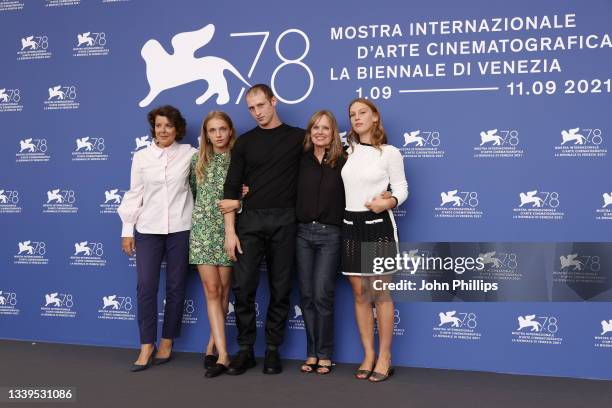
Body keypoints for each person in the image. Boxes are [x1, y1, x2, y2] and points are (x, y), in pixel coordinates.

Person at [220, 84, 303, 375]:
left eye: (261, 106)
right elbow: (230, 192)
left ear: (273, 101)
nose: (257, 113)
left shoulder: (298, 137)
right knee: (243, 289)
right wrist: (230, 232)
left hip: (285, 220)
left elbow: (327, 159)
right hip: (250, 221)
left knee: (281, 289)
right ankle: (245, 350)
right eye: (251, 108)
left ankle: (272, 350)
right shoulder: (244, 143)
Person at [118, 105, 197, 372]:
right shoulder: (141, 158)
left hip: (180, 228)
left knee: (176, 287)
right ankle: (146, 345)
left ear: (178, 130)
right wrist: (127, 230)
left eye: (168, 126)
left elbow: (210, 182)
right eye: (159, 125)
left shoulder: (190, 155)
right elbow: (134, 193)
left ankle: (166, 341)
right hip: (148, 229)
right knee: (146, 287)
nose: (162, 130)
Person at [341, 98, 408, 382]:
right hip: (349, 225)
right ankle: (368, 354)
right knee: (359, 293)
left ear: (375, 117)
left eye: (363, 113)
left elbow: (402, 188)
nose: (357, 118)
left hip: (377, 225)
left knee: (378, 293)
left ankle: (385, 356)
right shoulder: (347, 150)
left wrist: (389, 201)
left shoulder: (389, 153)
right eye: (352, 114)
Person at [295, 110, 346, 374]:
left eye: (325, 128)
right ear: (309, 132)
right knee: (306, 295)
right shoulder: (300, 160)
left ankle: (325, 353)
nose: (320, 132)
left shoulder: (344, 159)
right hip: (302, 234)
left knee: (322, 294)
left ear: (333, 132)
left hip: (330, 235)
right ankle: (311, 352)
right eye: (315, 127)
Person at [190, 111, 239, 378]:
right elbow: (195, 193)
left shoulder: (240, 159)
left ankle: (212, 344)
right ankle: (223, 353)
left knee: (223, 291)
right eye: (212, 130)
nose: (218, 134)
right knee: (211, 289)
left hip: (228, 231)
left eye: (222, 129)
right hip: (202, 231)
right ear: (206, 134)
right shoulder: (196, 161)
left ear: (230, 131)